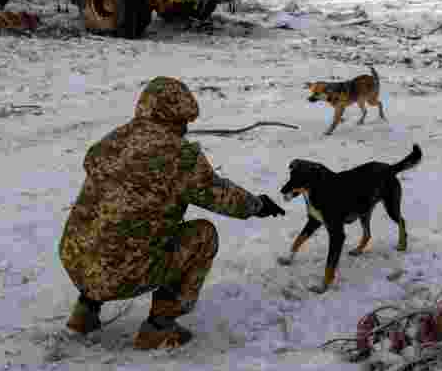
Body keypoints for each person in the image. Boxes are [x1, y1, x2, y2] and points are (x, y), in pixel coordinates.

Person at [58, 76, 286, 350]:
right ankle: (159, 327)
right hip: (119, 274)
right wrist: (257, 205)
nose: (187, 128)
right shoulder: (179, 156)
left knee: (109, 226)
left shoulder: (114, 139)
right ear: (178, 116)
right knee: (203, 235)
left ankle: (84, 313)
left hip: (74, 258)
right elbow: (222, 198)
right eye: (185, 121)